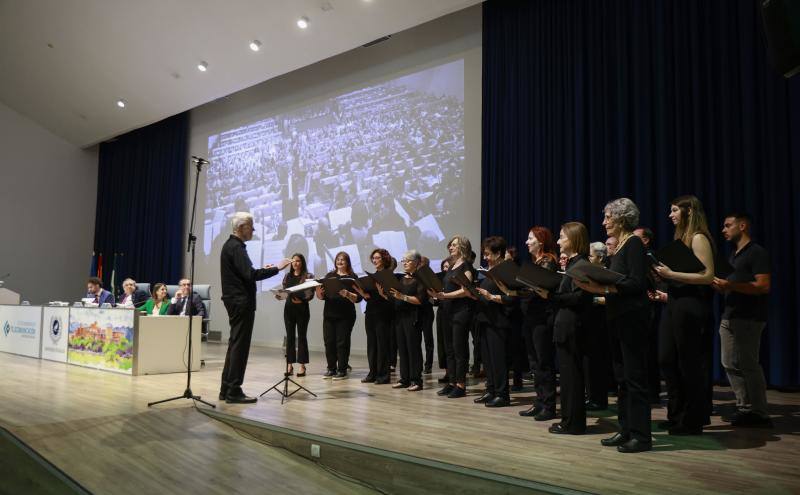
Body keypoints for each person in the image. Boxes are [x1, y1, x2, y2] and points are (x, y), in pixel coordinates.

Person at [575, 199, 652, 453]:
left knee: (635, 379)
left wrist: (603, 287)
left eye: (608, 217)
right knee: (621, 379)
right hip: (618, 318)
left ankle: (641, 436)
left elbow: (637, 284)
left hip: (632, 320)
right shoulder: (619, 248)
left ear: (621, 218)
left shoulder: (634, 245)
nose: (604, 222)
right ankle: (626, 429)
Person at [653, 195, 715, 435]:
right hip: (675, 303)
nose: (670, 215)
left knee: (689, 363)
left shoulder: (699, 238)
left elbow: (708, 276)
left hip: (691, 305)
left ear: (688, 212)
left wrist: (671, 275)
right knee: (667, 359)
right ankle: (676, 414)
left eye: (675, 210)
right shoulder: (680, 238)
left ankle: (693, 419)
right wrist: (663, 275)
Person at [220, 212, 291, 404]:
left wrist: (264, 269)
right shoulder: (236, 247)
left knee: (234, 345)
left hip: (235, 301)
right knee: (239, 347)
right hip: (241, 302)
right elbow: (251, 275)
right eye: (251, 226)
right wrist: (277, 268)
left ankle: (226, 389)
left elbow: (245, 274)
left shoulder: (231, 246)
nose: (253, 230)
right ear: (241, 227)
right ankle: (234, 391)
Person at [712, 212, 772, 427]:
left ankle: (760, 412)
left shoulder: (756, 253)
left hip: (749, 318)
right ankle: (745, 407)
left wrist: (731, 286)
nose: (724, 230)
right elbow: (732, 286)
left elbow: (764, 286)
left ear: (743, 226)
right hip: (730, 315)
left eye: (728, 225)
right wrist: (721, 287)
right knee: (728, 362)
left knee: (748, 364)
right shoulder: (734, 255)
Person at [534, 223, 592, 435]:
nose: (558, 242)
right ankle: (569, 420)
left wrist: (550, 296)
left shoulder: (581, 264)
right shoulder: (574, 264)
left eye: (561, 237)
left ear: (574, 239)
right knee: (568, 378)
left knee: (572, 378)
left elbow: (579, 297)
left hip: (572, 326)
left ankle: (573, 423)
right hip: (566, 325)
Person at [513, 226, 559, 421]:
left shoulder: (548, 260)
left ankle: (548, 405)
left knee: (543, 362)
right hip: (530, 317)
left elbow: (543, 287)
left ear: (541, 241)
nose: (526, 242)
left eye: (530, 238)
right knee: (534, 363)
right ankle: (539, 401)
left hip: (542, 318)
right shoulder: (535, 261)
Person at [430, 235, 475, 399]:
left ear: (462, 247)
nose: (450, 247)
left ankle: (461, 385)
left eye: (454, 245)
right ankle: (451, 382)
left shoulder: (466, 266)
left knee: (459, 349)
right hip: (447, 311)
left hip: (461, 312)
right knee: (449, 349)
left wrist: (446, 295)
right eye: (450, 245)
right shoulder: (451, 266)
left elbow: (466, 289)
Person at [474, 236, 515, 407]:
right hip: (485, 319)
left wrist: (491, 297)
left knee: (498, 360)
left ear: (498, 253)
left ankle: (502, 394)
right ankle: (491, 390)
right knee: (488, 359)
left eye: (488, 254)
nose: (485, 257)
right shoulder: (489, 271)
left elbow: (512, 298)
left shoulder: (506, 271)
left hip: (498, 321)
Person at [316, 251, 362, 380]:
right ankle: (331, 368)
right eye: (338, 259)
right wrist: (318, 292)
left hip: (345, 315)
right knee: (329, 342)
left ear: (347, 262)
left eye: (343, 260)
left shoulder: (352, 277)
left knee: (342, 343)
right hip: (329, 314)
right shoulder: (330, 275)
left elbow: (358, 298)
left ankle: (342, 370)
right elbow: (322, 297)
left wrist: (347, 294)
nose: (340, 261)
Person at [352, 248, 394, 384]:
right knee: (372, 344)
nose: (375, 260)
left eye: (378, 258)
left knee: (382, 345)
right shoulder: (373, 276)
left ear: (384, 259)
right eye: (374, 258)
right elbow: (370, 297)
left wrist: (383, 295)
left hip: (384, 313)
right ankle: (372, 373)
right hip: (371, 312)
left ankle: (383, 375)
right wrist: (362, 294)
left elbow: (391, 298)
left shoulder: (388, 275)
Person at [386, 250, 426, 391]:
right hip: (400, 317)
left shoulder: (421, 279)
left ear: (416, 262)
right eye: (404, 260)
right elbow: (394, 296)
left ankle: (416, 380)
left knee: (413, 349)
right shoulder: (402, 278)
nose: (405, 263)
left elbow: (420, 300)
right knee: (402, 349)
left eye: (408, 260)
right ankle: (405, 379)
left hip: (413, 317)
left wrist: (402, 297)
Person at [634, 226, 664, 405]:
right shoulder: (637, 257)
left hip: (650, 308)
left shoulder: (650, 257)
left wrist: (656, 293)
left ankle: (652, 392)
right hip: (640, 308)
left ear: (646, 240)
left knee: (649, 352)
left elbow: (660, 279)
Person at [584, 241, 612, 411]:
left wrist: (592, 299)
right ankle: (592, 396)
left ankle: (599, 399)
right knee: (590, 362)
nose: (588, 259)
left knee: (598, 362)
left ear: (600, 258)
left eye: (590, 256)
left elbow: (610, 296)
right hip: (590, 321)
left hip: (602, 322)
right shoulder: (591, 273)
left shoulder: (606, 273)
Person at [278, 253, 314, 377]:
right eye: (293, 261)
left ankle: (302, 366)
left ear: (302, 262)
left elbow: (310, 293)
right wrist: (279, 296)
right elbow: (285, 292)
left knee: (302, 336)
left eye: (298, 261)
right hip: (289, 309)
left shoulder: (308, 276)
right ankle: (289, 364)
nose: (295, 263)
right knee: (290, 337)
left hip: (302, 309)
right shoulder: (287, 276)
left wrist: (302, 300)